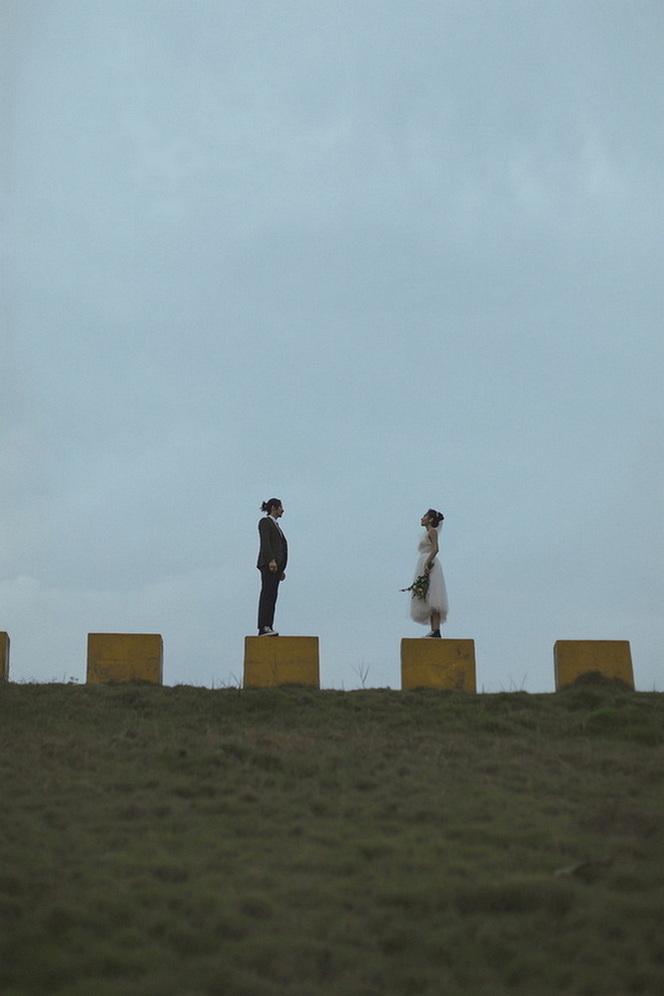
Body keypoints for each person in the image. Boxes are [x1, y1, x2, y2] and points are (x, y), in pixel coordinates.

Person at [409, 508, 449, 637]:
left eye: (425, 516)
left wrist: (427, 562)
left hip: (429, 562)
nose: (422, 518)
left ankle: (436, 630)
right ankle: (434, 630)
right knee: (428, 597)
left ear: (430, 519)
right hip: (424, 561)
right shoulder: (427, 533)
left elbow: (436, 548)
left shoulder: (432, 532)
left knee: (434, 597)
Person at [256, 498, 288, 636]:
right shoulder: (265, 522)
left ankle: (269, 625)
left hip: (276, 568)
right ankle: (263, 626)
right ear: (274, 507)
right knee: (267, 595)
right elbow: (266, 542)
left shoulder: (276, 525)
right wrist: (271, 560)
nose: (282, 510)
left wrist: (281, 569)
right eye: (280, 507)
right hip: (269, 565)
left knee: (272, 596)